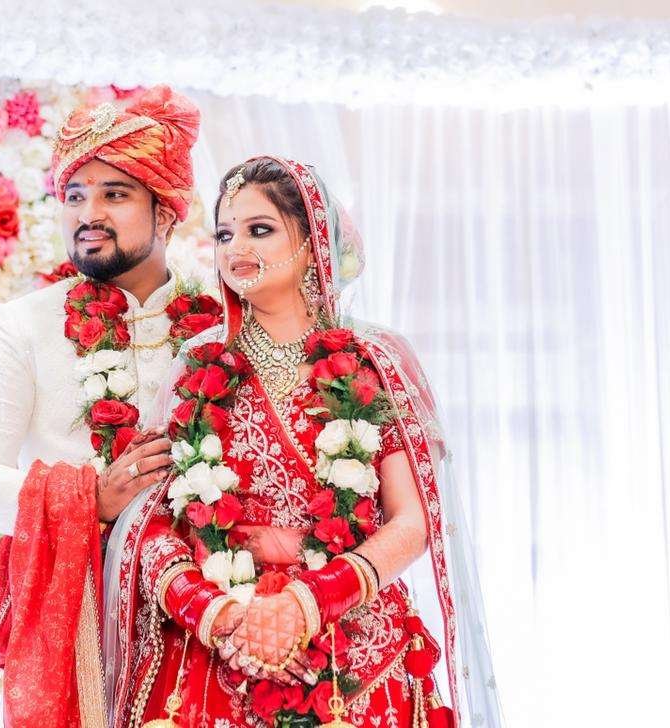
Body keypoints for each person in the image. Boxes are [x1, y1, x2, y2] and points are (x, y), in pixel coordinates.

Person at [101, 157, 502, 727]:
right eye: (225, 234)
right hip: (217, 647)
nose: (237, 247)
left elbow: (414, 521)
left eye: (259, 229)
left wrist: (304, 605)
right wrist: (218, 615)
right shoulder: (197, 365)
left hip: (351, 642)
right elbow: (153, 521)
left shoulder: (375, 361)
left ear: (313, 243)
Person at [0, 86, 223, 727]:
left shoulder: (219, 329)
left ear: (166, 211)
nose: (88, 214)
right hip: (81, 629)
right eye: (74, 195)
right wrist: (91, 498)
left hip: (209, 621)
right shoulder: (25, 325)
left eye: (114, 194)